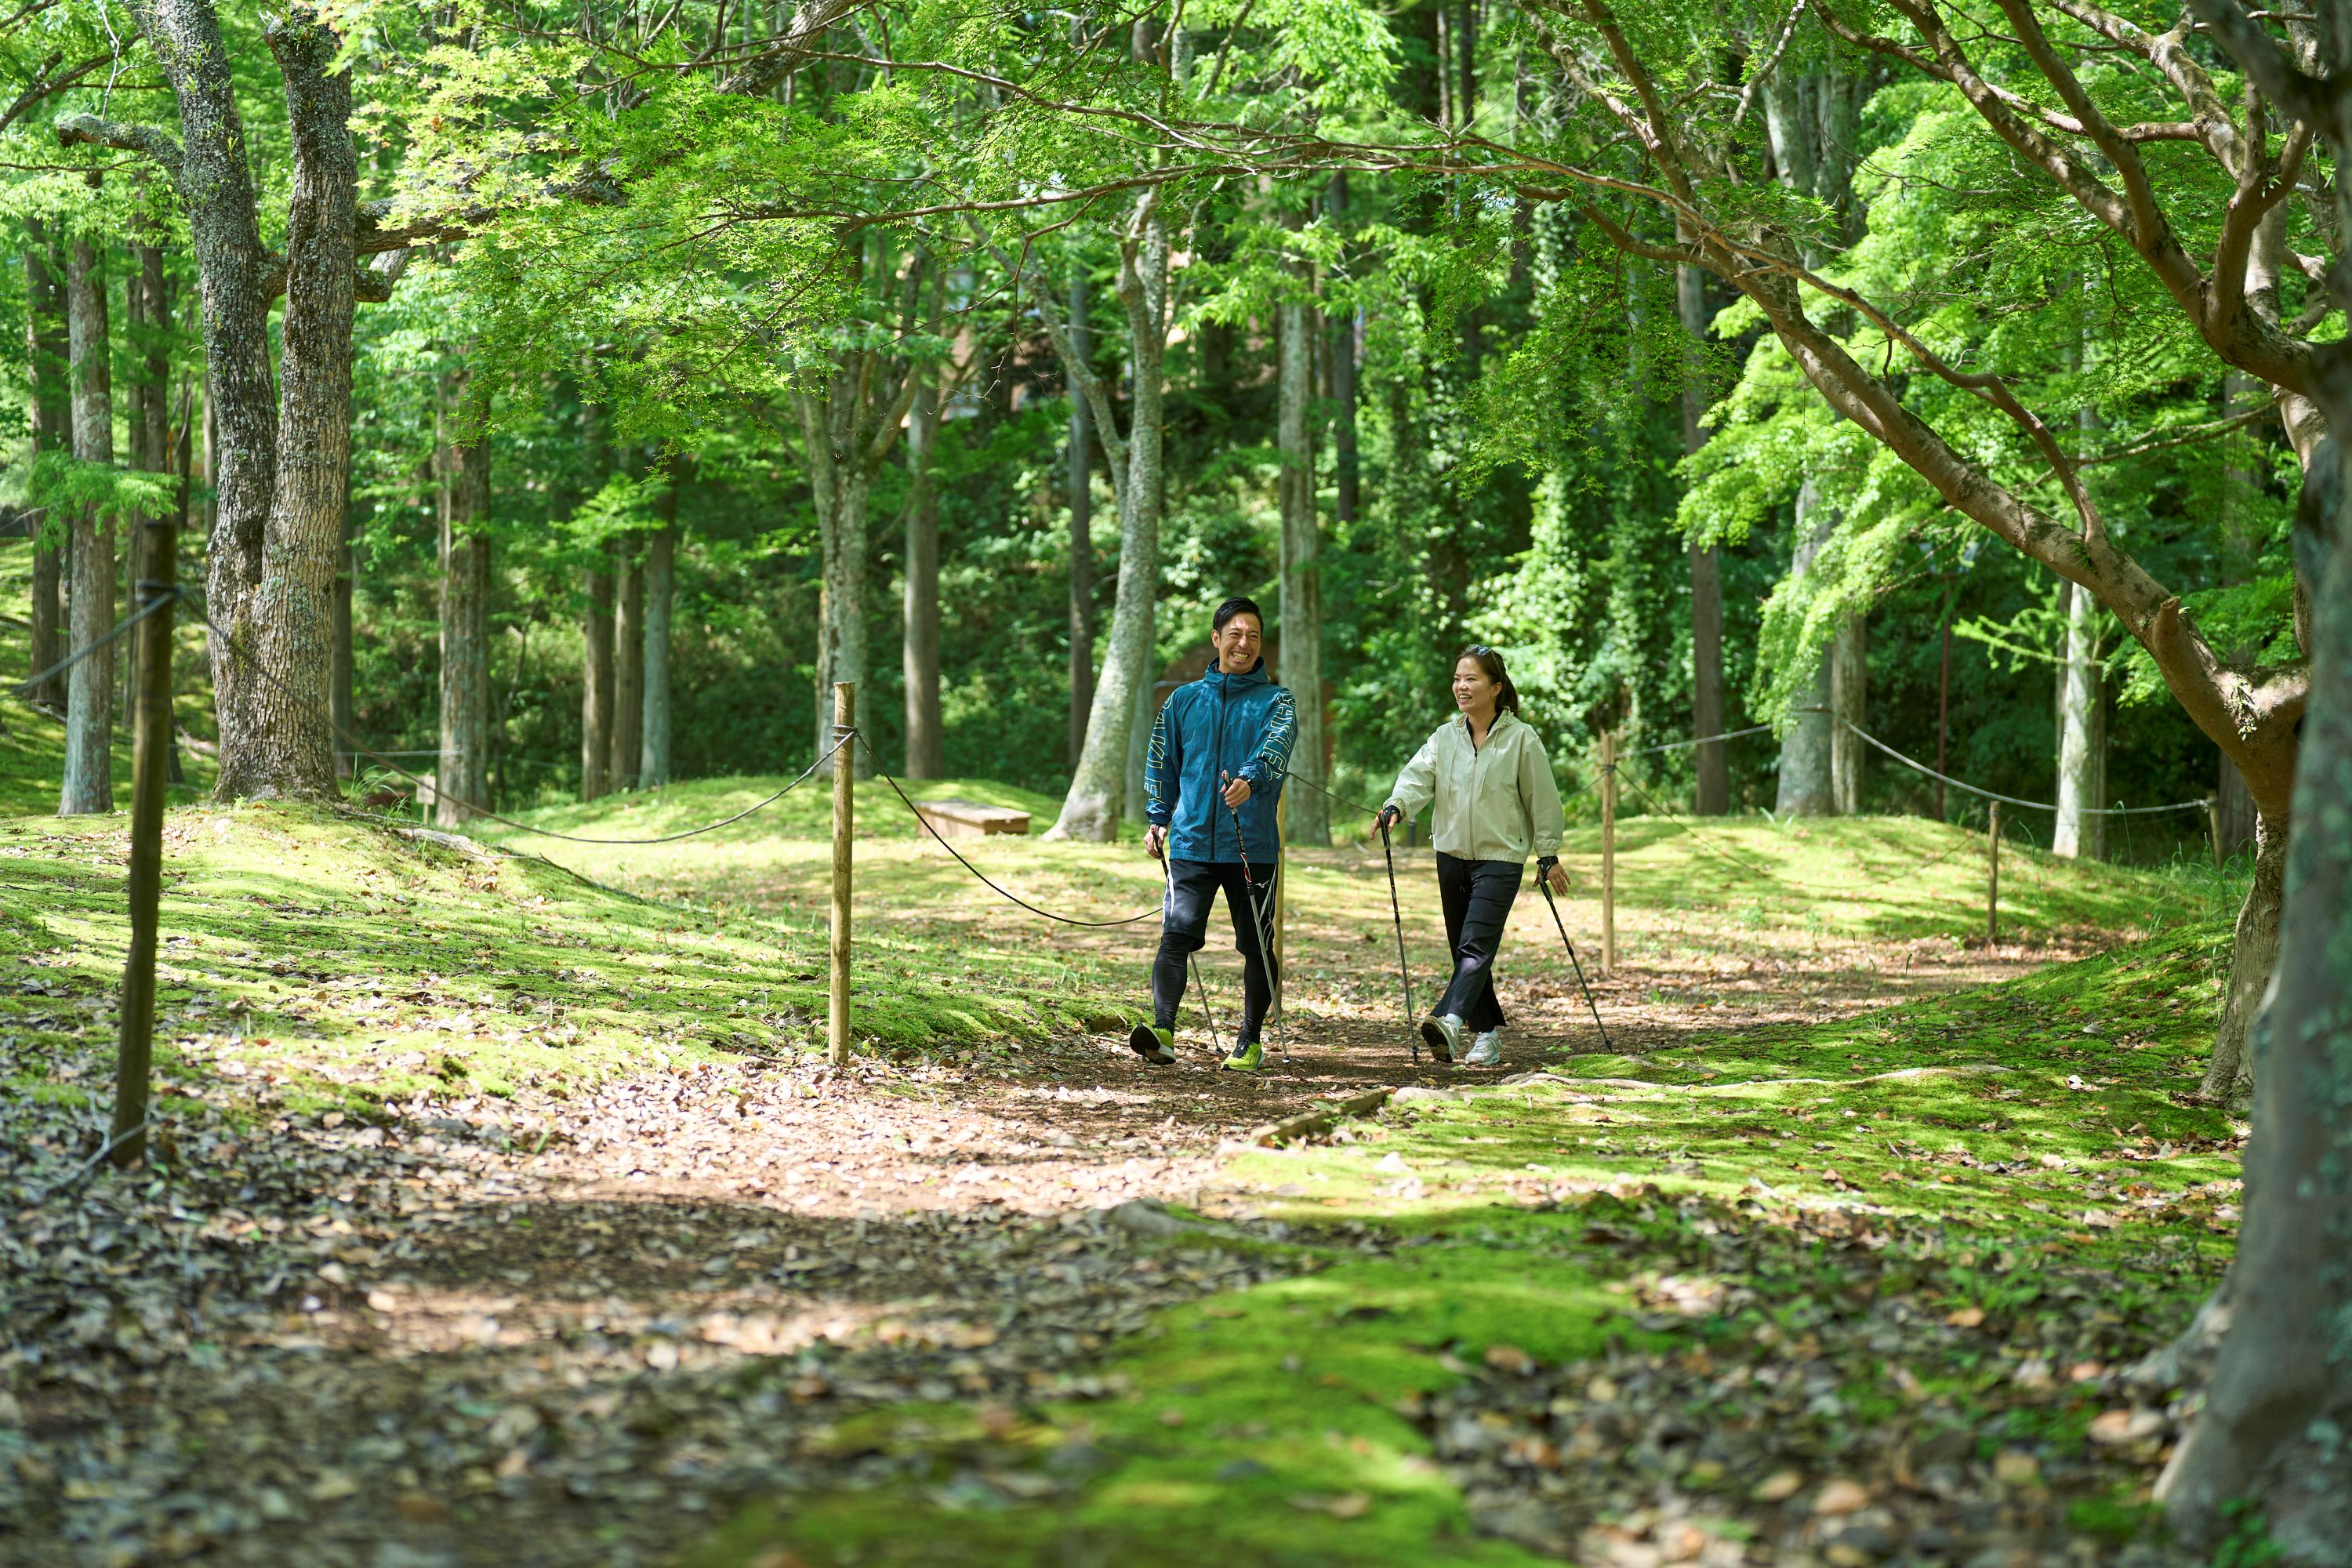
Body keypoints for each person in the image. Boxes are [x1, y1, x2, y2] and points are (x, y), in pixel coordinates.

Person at [1374, 644, 1567, 1069]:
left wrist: (1548, 853)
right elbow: (1417, 778)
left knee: (1476, 945)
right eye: (1458, 679)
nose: (1461, 686)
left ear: (1495, 687)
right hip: (1451, 855)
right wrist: (1396, 806)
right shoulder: (1445, 737)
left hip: (1501, 858)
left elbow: (1543, 800)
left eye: (1471, 679)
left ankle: (1449, 1019)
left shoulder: (1522, 739)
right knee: (1464, 950)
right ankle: (1488, 1035)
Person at [1131, 597, 1297, 1073]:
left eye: (1253, 636)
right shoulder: (1182, 701)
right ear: (1216, 638)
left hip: (1252, 845)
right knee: (1175, 936)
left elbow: (1276, 746)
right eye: (1235, 634)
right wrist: (1158, 817)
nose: (1244, 643)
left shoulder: (1277, 701)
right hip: (1191, 842)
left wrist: (1250, 778)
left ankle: (1250, 1040)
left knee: (1256, 945)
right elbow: (1162, 760)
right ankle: (1162, 1031)